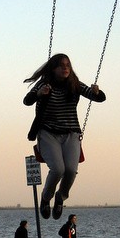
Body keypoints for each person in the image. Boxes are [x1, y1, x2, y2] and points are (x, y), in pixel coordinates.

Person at [23, 53, 106, 220]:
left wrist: (97, 92)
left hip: (71, 133)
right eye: (61, 65)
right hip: (48, 133)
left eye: (68, 65)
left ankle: (61, 197)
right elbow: (27, 100)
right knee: (58, 169)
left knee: (70, 170)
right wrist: (40, 93)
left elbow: (98, 97)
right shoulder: (44, 84)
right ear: (53, 68)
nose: (65, 68)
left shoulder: (74, 84)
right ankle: (46, 198)